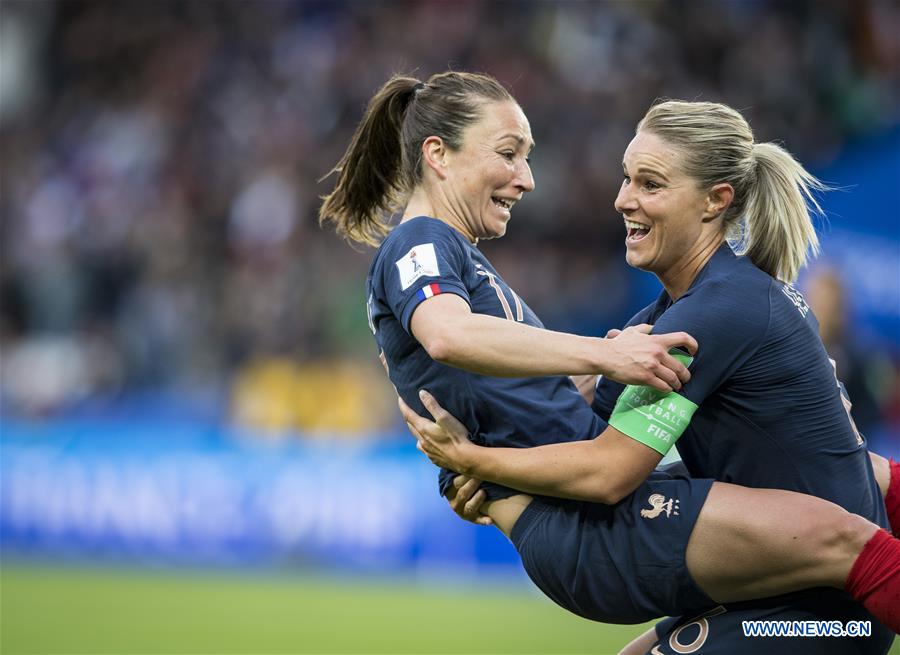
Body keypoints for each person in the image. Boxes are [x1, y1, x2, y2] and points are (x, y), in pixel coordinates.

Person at [319, 75, 898, 652]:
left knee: (841, 538)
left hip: (811, 610)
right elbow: (449, 336)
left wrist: (481, 462)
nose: (527, 178)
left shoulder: (714, 309)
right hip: (784, 598)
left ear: (715, 200)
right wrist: (589, 372)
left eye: (649, 183)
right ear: (437, 155)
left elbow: (607, 469)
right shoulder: (422, 243)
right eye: (509, 153)